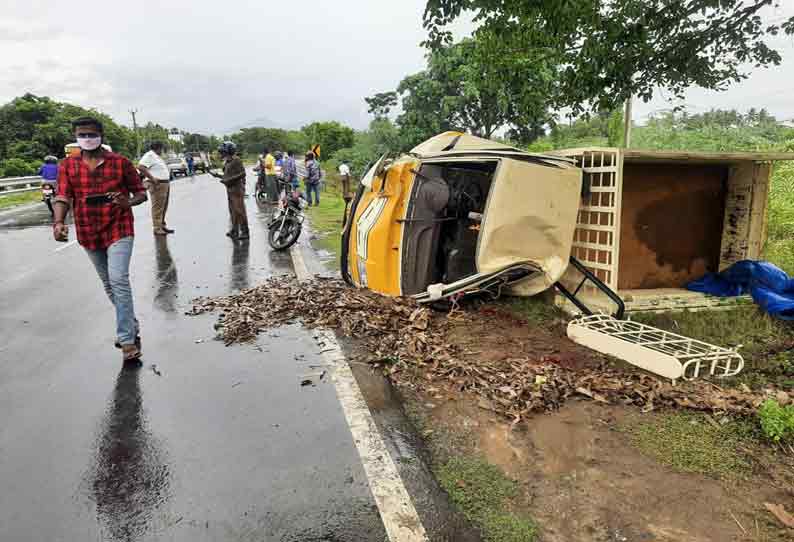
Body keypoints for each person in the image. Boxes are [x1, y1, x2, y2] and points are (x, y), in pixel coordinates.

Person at [53, 116, 148, 362]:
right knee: (108, 284)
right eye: (82, 135)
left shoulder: (121, 163)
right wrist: (59, 222)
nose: (87, 138)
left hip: (119, 226)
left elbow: (140, 193)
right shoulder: (67, 166)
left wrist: (128, 201)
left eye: (91, 134)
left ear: (101, 136)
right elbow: (62, 196)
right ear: (76, 137)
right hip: (87, 230)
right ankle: (131, 323)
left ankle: (126, 340)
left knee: (118, 280)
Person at [210, 141, 249, 240]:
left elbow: (242, 173)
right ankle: (234, 230)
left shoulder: (236, 160)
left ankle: (245, 232)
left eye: (223, 152)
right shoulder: (227, 161)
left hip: (237, 189)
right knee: (232, 211)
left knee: (239, 211)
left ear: (229, 151)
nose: (221, 154)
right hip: (230, 189)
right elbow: (227, 175)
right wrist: (217, 175)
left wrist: (228, 180)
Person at [138, 142, 173, 236]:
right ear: (158, 148)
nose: (162, 151)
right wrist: (152, 179)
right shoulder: (149, 155)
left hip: (164, 184)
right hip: (157, 184)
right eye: (161, 148)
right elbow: (141, 167)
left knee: (163, 206)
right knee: (158, 206)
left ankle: (162, 225)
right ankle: (157, 228)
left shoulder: (156, 156)